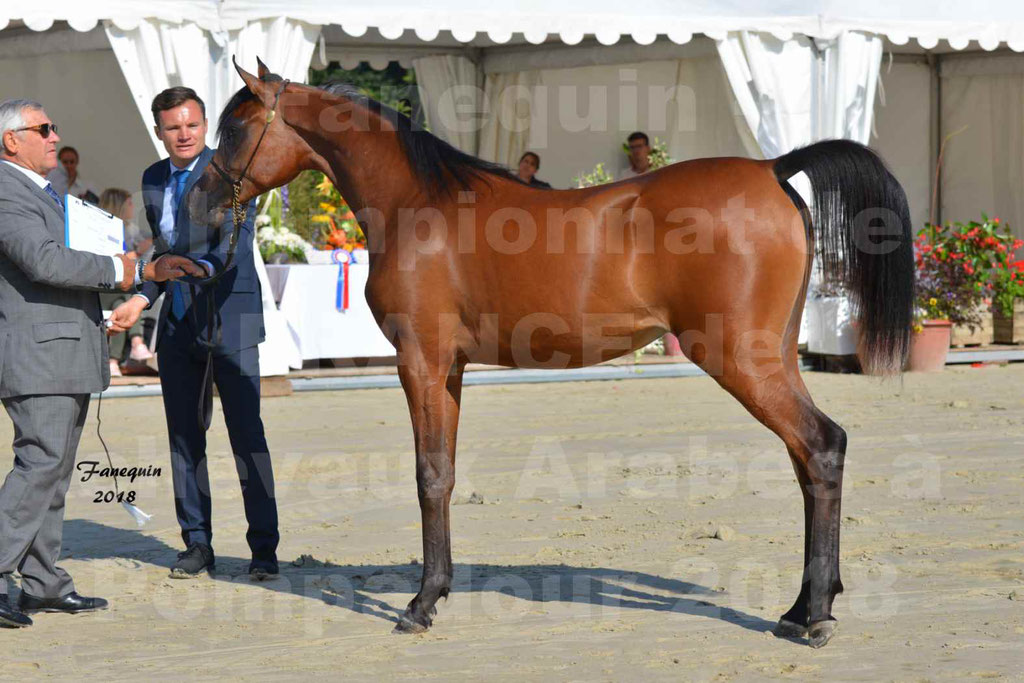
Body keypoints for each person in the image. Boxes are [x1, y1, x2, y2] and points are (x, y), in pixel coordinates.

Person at [0, 98, 201, 628]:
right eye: (42, 129)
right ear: (10, 140)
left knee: (54, 471)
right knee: (40, 463)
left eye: (53, 126)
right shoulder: (4, 188)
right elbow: (42, 260)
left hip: (61, 347)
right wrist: (122, 270)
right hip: (37, 350)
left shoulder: (42, 190)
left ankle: (42, 582)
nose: (53, 137)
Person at [110, 87, 279, 581]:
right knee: (184, 437)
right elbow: (161, 253)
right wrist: (140, 297)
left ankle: (264, 549)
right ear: (159, 131)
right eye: (173, 127)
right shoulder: (153, 179)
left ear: (205, 126)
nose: (184, 134)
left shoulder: (231, 172)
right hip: (179, 324)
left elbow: (235, 243)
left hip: (233, 318)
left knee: (248, 439)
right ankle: (197, 543)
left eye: (192, 124)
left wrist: (190, 266)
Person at [98, 188, 155, 376]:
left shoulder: (130, 229)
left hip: (118, 290)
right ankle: (136, 342)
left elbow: (150, 238)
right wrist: (136, 253)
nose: (133, 206)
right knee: (126, 295)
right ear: (120, 206)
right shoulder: (102, 227)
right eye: (130, 202)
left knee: (122, 303)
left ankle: (113, 360)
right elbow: (107, 259)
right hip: (101, 287)